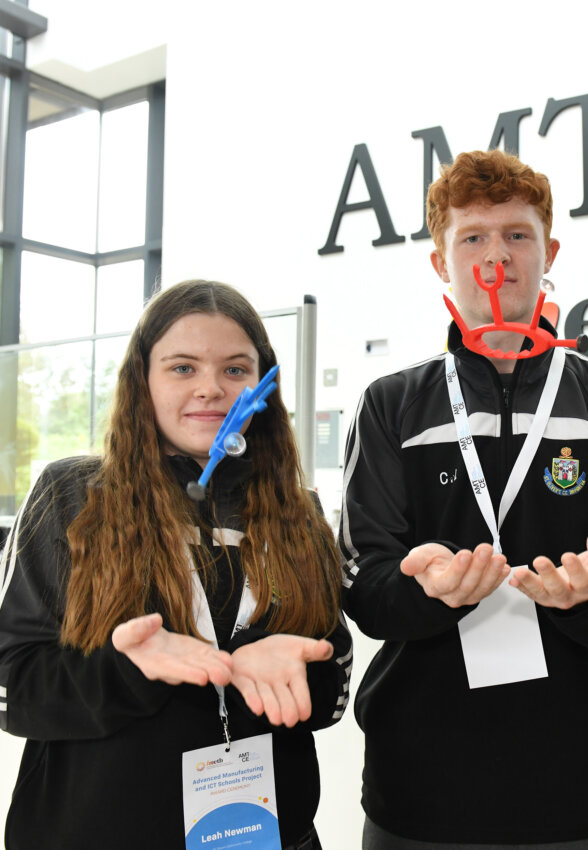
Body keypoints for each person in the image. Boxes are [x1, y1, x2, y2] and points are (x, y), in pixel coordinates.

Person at [339, 149, 588, 848]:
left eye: (517, 235)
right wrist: (425, 588)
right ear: (441, 262)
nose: (497, 258)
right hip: (420, 791)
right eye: (473, 238)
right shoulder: (391, 406)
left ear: (549, 251)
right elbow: (364, 587)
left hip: (587, 790)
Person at [0, 280, 352, 850]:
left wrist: (289, 671)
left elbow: (333, 679)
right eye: (182, 368)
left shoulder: (297, 509)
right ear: (142, 380)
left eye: (236, 369)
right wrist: (129, 671)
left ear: (262, 386)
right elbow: (10, 679)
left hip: (266, 835)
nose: (211, 388)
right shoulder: (71, 495)